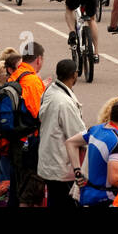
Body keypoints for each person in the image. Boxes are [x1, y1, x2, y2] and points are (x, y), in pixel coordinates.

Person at [67, 98, 118, 208]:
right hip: (105, 198)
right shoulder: (116, 141)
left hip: (89, 194)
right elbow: (114, 179)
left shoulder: (95, 129)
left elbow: (70, 142)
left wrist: (77, 172)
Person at [38, 58, 87, 207]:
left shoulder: (50, 90)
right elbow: (77, 134)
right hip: (61, 166)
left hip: (49, 160)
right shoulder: (64, 102)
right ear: (75, 75)